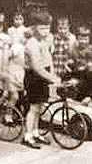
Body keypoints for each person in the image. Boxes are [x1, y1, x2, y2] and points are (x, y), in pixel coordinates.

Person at [23, 11, 58, 148]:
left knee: (39, 107)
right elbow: (37, 67)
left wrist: (53, 74)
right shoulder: (31, 44)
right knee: (33, 108)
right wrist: (53, 78)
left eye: (48, 28)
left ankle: (36, 132)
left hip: (44, 75)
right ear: (33, 28)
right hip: (34, 76)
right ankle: (27, 135)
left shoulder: (46, 40)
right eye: (42, 28)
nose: (45, 31)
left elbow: (48, 58)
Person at [52, 16, 77, 81]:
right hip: (56, 67)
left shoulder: (72, 39)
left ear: (68, 27)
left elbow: (74, 55)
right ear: (57, 28)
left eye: (65, 28)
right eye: (60, 28)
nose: (62, 31)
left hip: (66, 69)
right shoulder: (54, 38)